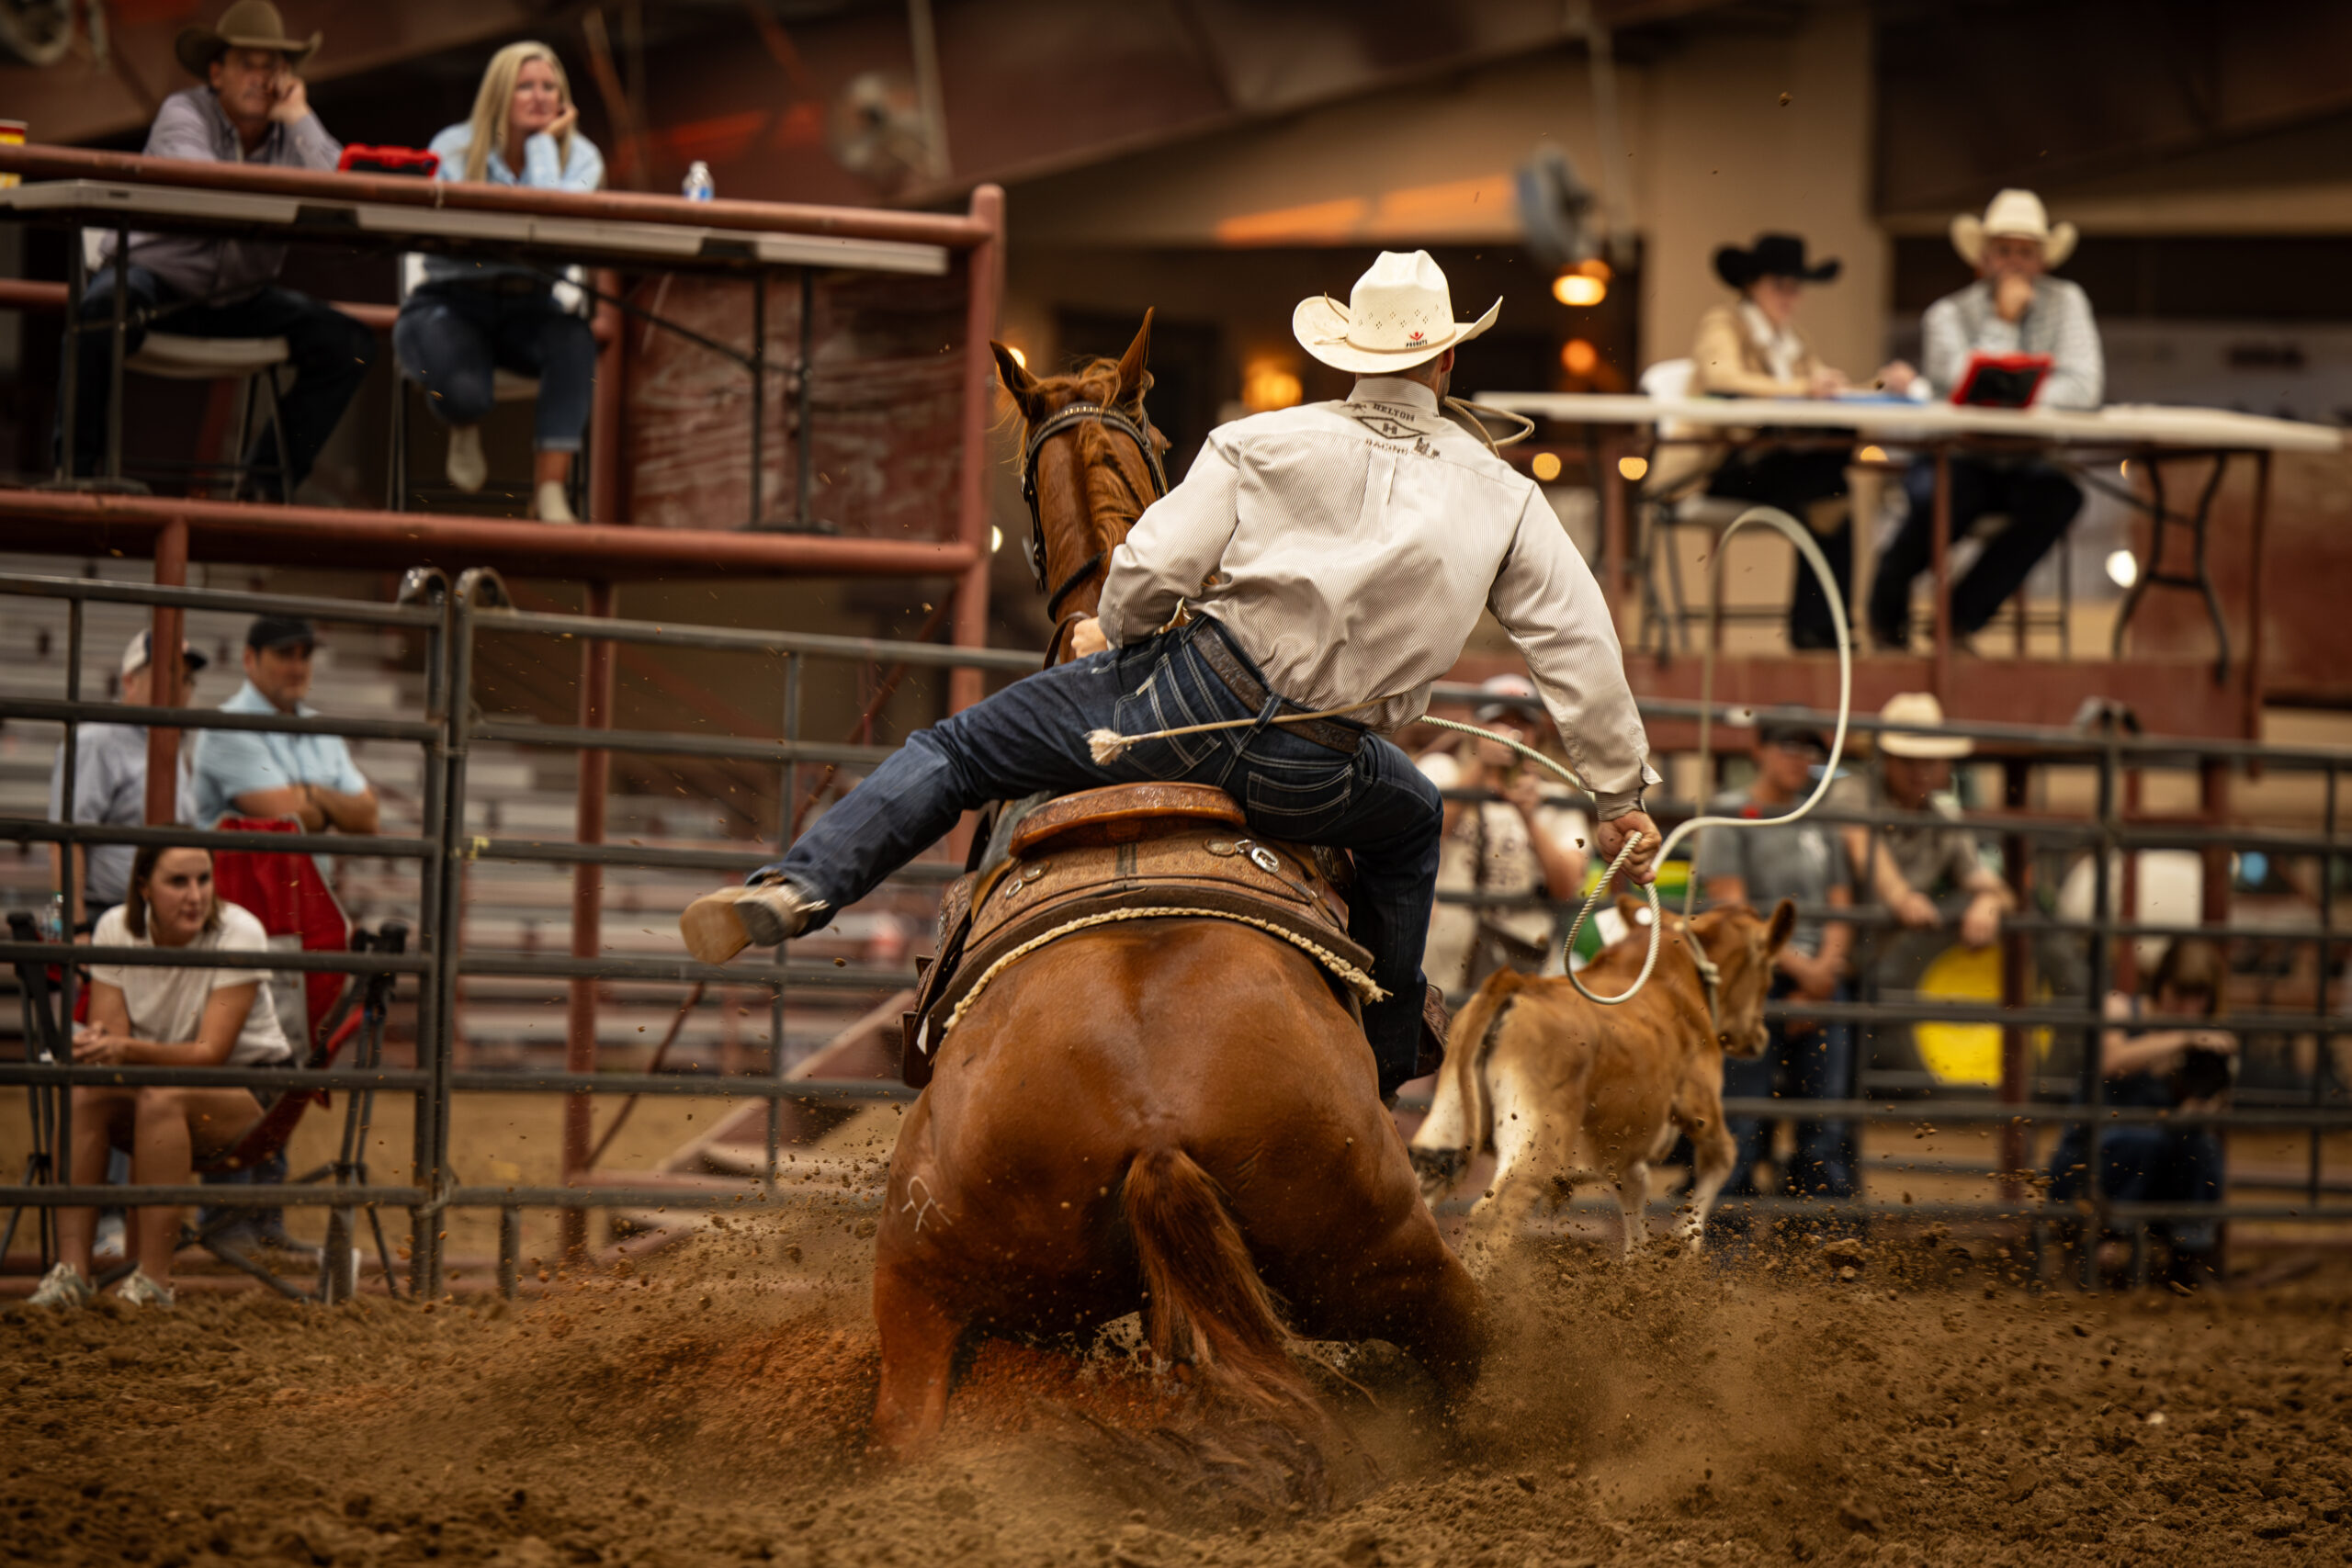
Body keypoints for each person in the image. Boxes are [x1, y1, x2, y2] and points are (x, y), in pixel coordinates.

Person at [687, 250, 1660, 1096]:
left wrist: (1115, 633)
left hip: (1179, 706)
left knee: (956, 749)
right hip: (1319, 770)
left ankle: (799, 889)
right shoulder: (1503, 494)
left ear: (1345, 355)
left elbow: (1150, 570)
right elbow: (1578, 649)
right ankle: (1386, 1048)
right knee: (1413, 824)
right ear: (1448, 358)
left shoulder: (1260, 441)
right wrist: (1617, 794)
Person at [57, 2, 374, 493]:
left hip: (240, 297)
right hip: (157, 286)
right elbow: (209, 190)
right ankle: (75, 476)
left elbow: (346, 192)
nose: (261, 79)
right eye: (248, 64)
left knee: (350, 344)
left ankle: (263, 489)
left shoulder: (293, 132)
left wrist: (301, 115)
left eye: (273, 67)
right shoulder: (182, 111)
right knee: (99, 310)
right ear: (216, 72)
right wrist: (288, 191)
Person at [26, 844, 294, 1307]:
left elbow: (212, 1053)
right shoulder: (114, 926)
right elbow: (111, 1038)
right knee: (86, 1096)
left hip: (251, 1087)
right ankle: (71, 1272)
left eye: (203, 879)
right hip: (160, 1080)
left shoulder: (240, 930)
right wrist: (99, 1047)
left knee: (160, 1098)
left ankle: (152, 1279)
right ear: (143, 887)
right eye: (178, 882)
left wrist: (121, 1049)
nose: (195, 895)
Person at [1869, 190, 2104, 649]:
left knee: (2060, 500)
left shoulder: (2068, 302)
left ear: (2042, 261)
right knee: (1943, 500)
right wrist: (2004, 319)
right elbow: (1964, 386)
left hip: (2027, 457)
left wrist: (2018, 399)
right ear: (1984, 257)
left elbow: (2084, 387)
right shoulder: (1948, 314)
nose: (2014, 263)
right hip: (1959, 453)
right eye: (2004, 251)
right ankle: (1886, 612)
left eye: (2025, 252)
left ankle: (1957, 619)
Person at [397, 41, 605, 525]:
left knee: (576, 340)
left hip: (530, 303)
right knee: (467, 394)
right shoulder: (451, 146)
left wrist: (539, 149)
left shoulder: (582, 156)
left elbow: (556, 220)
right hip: (451, 300)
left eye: (549, 87)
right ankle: (464, 421)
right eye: (525, 86)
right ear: (499, 94)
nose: (539, 97)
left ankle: (550, 492)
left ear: (563, 98)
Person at [1689, 234, 1906, 650]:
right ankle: (1823, 627)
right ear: (1752, 284)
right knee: (1833, 485)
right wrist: (1802, 386)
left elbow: (1823, 392)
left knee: (1832, 488)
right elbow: (1722, 376)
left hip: (1781, 467)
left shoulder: (1794, 340)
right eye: (1780, 286)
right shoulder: (1723, 324)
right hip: (1730, 466)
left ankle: (1820, 627)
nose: (1790, 297)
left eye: (1796, 287)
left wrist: (1880, 386)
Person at [1696, 716, 1858, 1202]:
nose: (1800, 759)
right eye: (1789, 746)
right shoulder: (1731, 813)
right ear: (1760, 749)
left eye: (1810, 750)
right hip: (1752, 981)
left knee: (1825, 1116)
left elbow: (1840, 905)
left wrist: (1822, 973)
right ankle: (1729, 1236)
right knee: (1741, 1113)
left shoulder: (1820, 821)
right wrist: (1808, 972)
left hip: (1815, 981)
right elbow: (1733, 909)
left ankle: (1816, 1234)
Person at [2047, 939, 2234, 1286]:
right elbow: (2111, 1062)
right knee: (2141, 1139)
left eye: (2199, 998)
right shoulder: (2121, 1009)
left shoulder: (2200, 1046)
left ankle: (2189, 1254)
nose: (2188, 1008)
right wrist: (2184, 1038)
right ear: (2160, 985)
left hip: (2156, 1162)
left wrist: (2206, 1097)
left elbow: (2205, 1114)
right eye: (2180, 994)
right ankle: (2101, 1240)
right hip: (2090, 1158)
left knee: (2201, 1147)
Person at [1415, 674, 1589, 994]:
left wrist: (1529, 816)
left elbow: (1567, 887)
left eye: (1520, 724)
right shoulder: (1441, 772)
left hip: (1521, 962)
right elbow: (1420, 835)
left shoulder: (1557, 800)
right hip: (1440, 959)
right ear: (1474, 729)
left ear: (1537, 735)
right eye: (1496, 723)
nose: (1509, 735)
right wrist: (1481, 770)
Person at [48, 630, 207, 930]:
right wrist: (73, 926)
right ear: (130, 681)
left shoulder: (172, 745)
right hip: (105, 915)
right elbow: (64, 840)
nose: (180, 688)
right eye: (166, 675)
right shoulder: (96, 741)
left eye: (187, 679)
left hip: (160, 915)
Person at [1830, 692, 2010, 953]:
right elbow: (1862, 846)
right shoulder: (1854, 793)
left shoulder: (1945, 819)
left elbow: (1982, 878)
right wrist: (1901, 897)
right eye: (1907, 760)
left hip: (1891, 958)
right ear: (1884, 759)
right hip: (1841, 953)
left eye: (1929, 760)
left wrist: (1989, 902)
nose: (1919, 771)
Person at [188, 615, 378, 837]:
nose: (298, 668)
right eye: (285, 654)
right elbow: (287, 820)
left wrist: (312, 794)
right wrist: (333, 806)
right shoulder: (226, 726)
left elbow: (368, 818)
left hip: (306, 872)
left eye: (305, 655)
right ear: (249, 659)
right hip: (246, 872)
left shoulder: (322, 730)